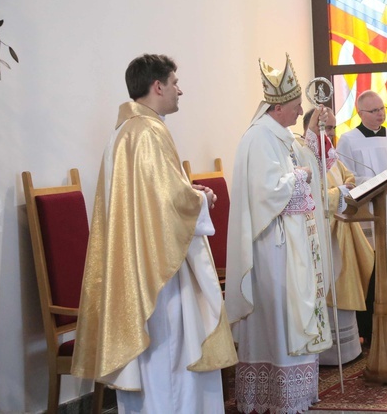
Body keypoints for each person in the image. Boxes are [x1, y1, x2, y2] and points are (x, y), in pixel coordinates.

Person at [71, 54, 237, 412]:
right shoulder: (147, 131)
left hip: (143, 259)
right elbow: (169, 203)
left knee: (162, 360)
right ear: (157, 86)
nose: (181, 90)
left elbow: (155, 197)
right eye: (175, 82)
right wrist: (200, 199)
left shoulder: (128, 130)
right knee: (172, 354)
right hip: (159, 271)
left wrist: (190, 196)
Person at [225, 54, 338, 413]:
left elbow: (303, 163)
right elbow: (266, 191)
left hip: (291, 245)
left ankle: (292, 394)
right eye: (295, 106)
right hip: (272, 248)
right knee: (279, 320)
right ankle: (275, 395)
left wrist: (314, 139)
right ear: (278, 107)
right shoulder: (258, 139)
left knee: (290, 317)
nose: (298, 110)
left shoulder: (282, 136)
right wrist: (301, 177)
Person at [336, 90, 387, 345]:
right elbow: (345, 178)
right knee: (370, 272)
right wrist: (376, 183)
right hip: (366, 217)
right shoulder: (348, 141)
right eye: (373, 111)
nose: (380, 114)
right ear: (361, 113)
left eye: (382, 109)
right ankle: (369, 330)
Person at [301, 109, 374, 365]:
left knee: (346, 284)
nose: (330, 133)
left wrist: (348, 187)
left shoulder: (331, 155)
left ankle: (349, 350)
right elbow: (312, 194)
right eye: (325, 127)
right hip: (322, 235)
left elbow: (348, 177)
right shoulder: (302, 153)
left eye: (332, 128)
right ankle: (328, 354)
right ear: (311, 127)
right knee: (329, 289)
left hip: (342, 230)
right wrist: (340, 192)